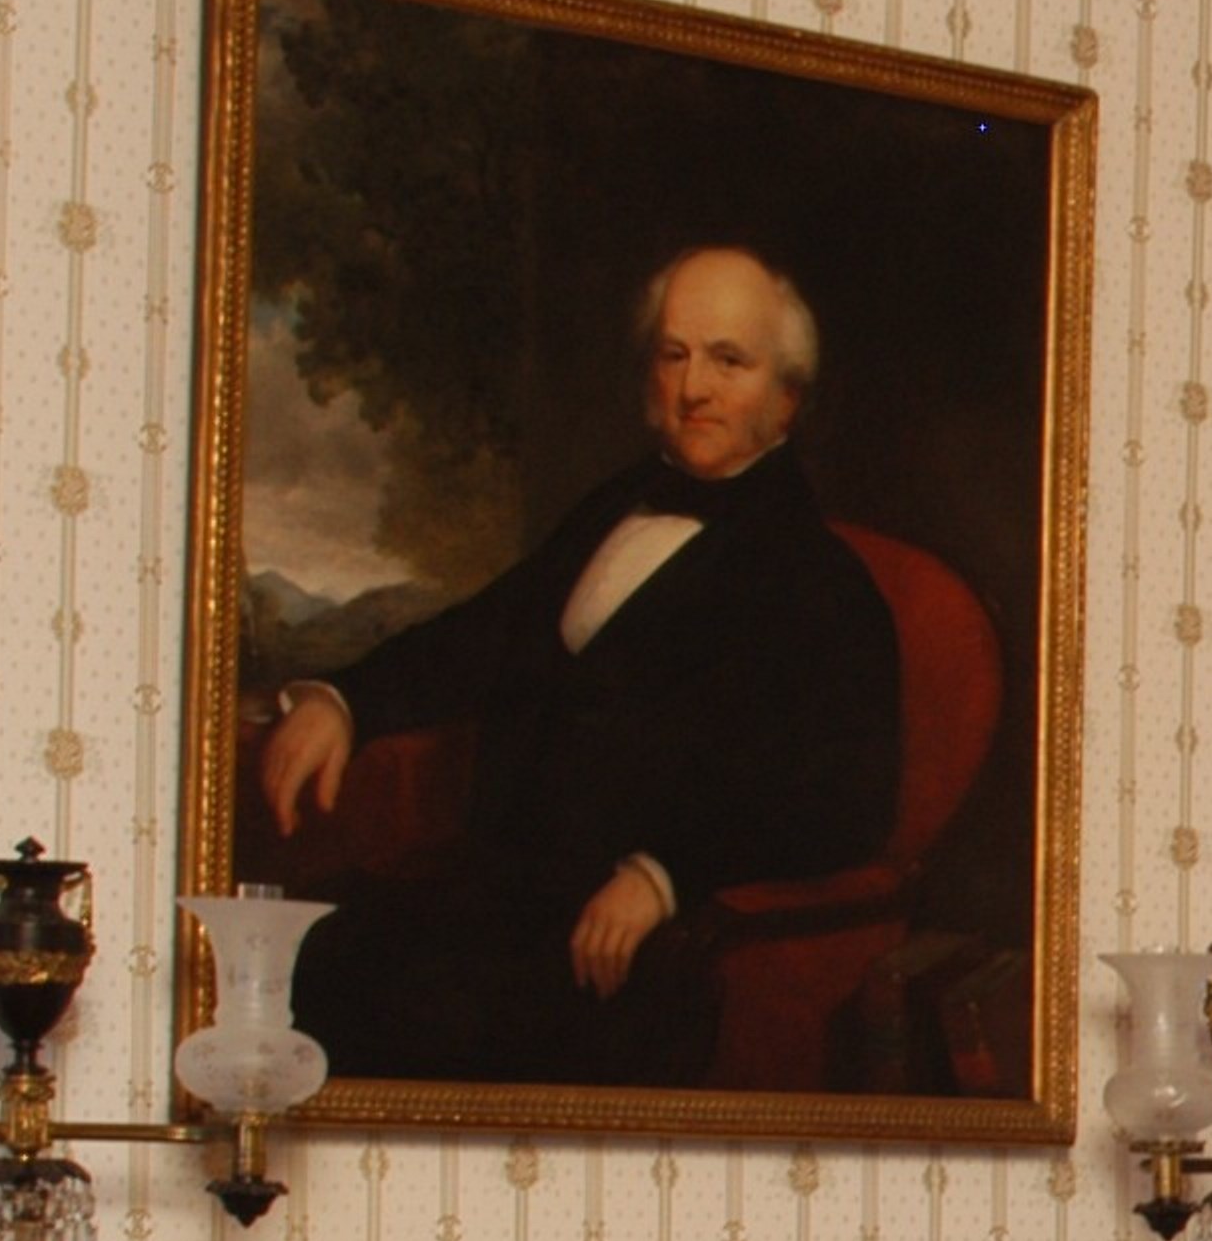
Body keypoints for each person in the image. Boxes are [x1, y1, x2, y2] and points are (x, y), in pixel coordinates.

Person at [256, 245, 906, 1089]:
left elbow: (844, 799)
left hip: (630, 951)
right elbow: (485, 633)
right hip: (499, 904)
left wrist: (664, 874)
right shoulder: (615, 506)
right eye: (673, 355)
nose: (693, 387)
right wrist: (344, 702)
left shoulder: (820, 582)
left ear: (786, 401)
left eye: (729, 360)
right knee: (300, 962)